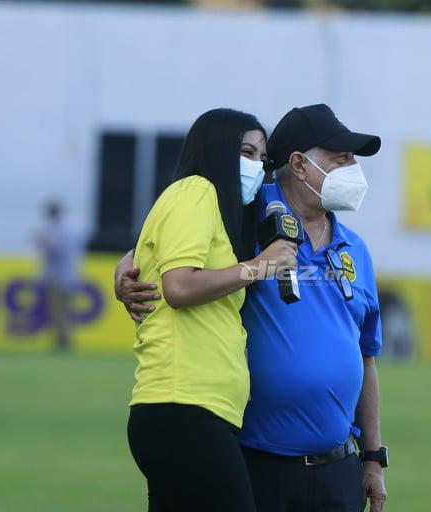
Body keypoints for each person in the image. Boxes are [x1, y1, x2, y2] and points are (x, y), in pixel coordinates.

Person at [116, 105, 388, 512]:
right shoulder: (245, 209)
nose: (352, 169)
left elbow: (365, 357)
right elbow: (168, 243)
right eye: (341, 157)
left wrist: (373, 456)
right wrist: (127, 267)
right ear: (298, 164)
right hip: (258, 458)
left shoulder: (356, 250)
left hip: (338, 464)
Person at [125, 108, 297, 512]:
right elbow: (179, 286)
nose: (256, 165)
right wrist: (261, 266)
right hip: (184, 406)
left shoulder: (212, 209)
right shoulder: (196, 190)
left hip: (192, 411)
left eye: (261, 158)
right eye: (245, 152)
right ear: (216, 149)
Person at [35, 201, 85, 351]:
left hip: (59, 276)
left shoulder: (59, 230)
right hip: (70, 274)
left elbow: (56, 252)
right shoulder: (71, 228)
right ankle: (64, 340)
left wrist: (43, 243)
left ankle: (63, 342)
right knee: (64, 310)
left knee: (58, 311)